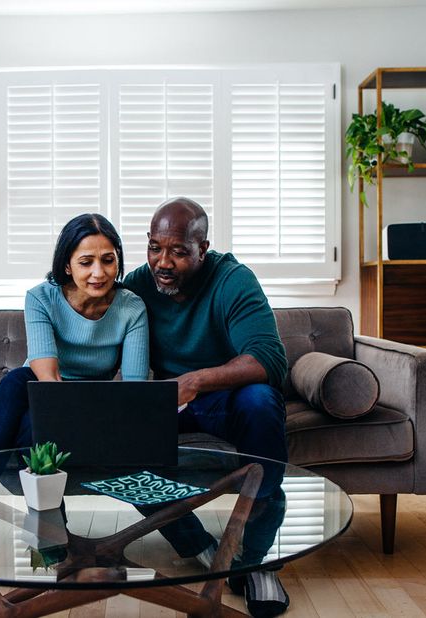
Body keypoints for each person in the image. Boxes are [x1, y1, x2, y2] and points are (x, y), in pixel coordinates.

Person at [124, 197, 291, 618]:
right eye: (154, 247)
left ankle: (254, 560)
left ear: (203, 248)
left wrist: (195, 380)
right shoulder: (138, 284)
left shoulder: (233, 279)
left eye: (178, 251)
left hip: (222, 398)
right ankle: (203, 549)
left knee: (261, 399)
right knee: (121, 445)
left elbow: (269, 360)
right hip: (166, 403)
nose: (163, 261)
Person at [0, 213, 149, 454]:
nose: (99, 273)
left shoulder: (132, 308)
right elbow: (49, 380)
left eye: (108, 260)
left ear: (118, 261)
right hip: (46, 390)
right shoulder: (41, 298)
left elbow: (134, 391)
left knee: (27, 430)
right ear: (67, 265)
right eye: (86, 262)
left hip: (96, 396)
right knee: (15, 382)